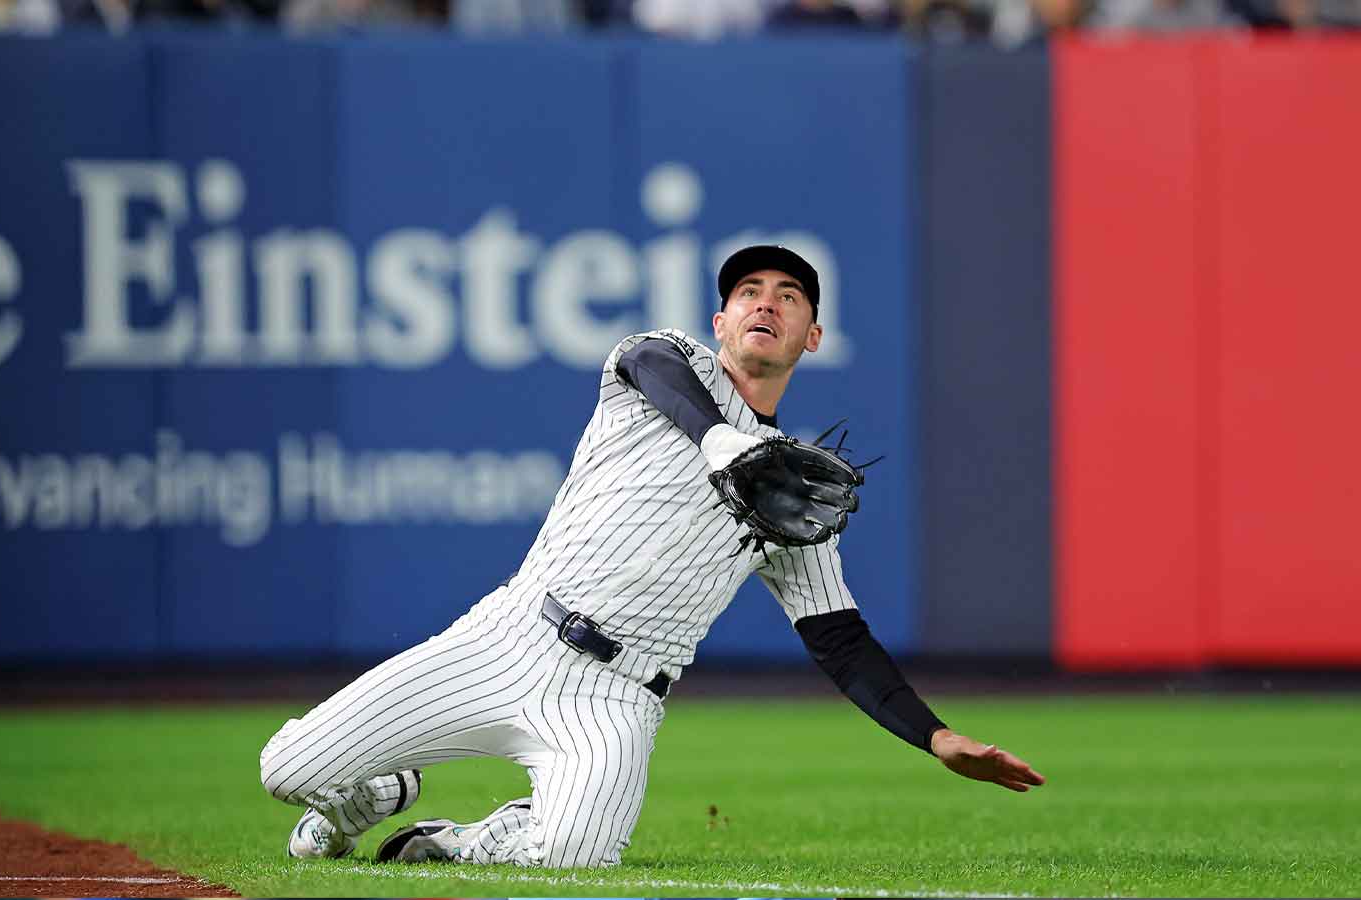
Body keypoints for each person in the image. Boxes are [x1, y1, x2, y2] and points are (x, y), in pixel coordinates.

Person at [258, 244, 1046, 869]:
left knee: (574, 856)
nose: (765, 301)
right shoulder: (667, 364)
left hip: (615, 699)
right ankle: (371, 796)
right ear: (721, 319)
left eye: (789, 295)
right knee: (286, 770)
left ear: (813, 337)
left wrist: (937, 737)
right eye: (748, 292)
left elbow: (839, 640)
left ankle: (470, 839)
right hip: (509, 639)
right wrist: (721, 439)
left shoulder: (793, 493)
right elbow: (650, 367)